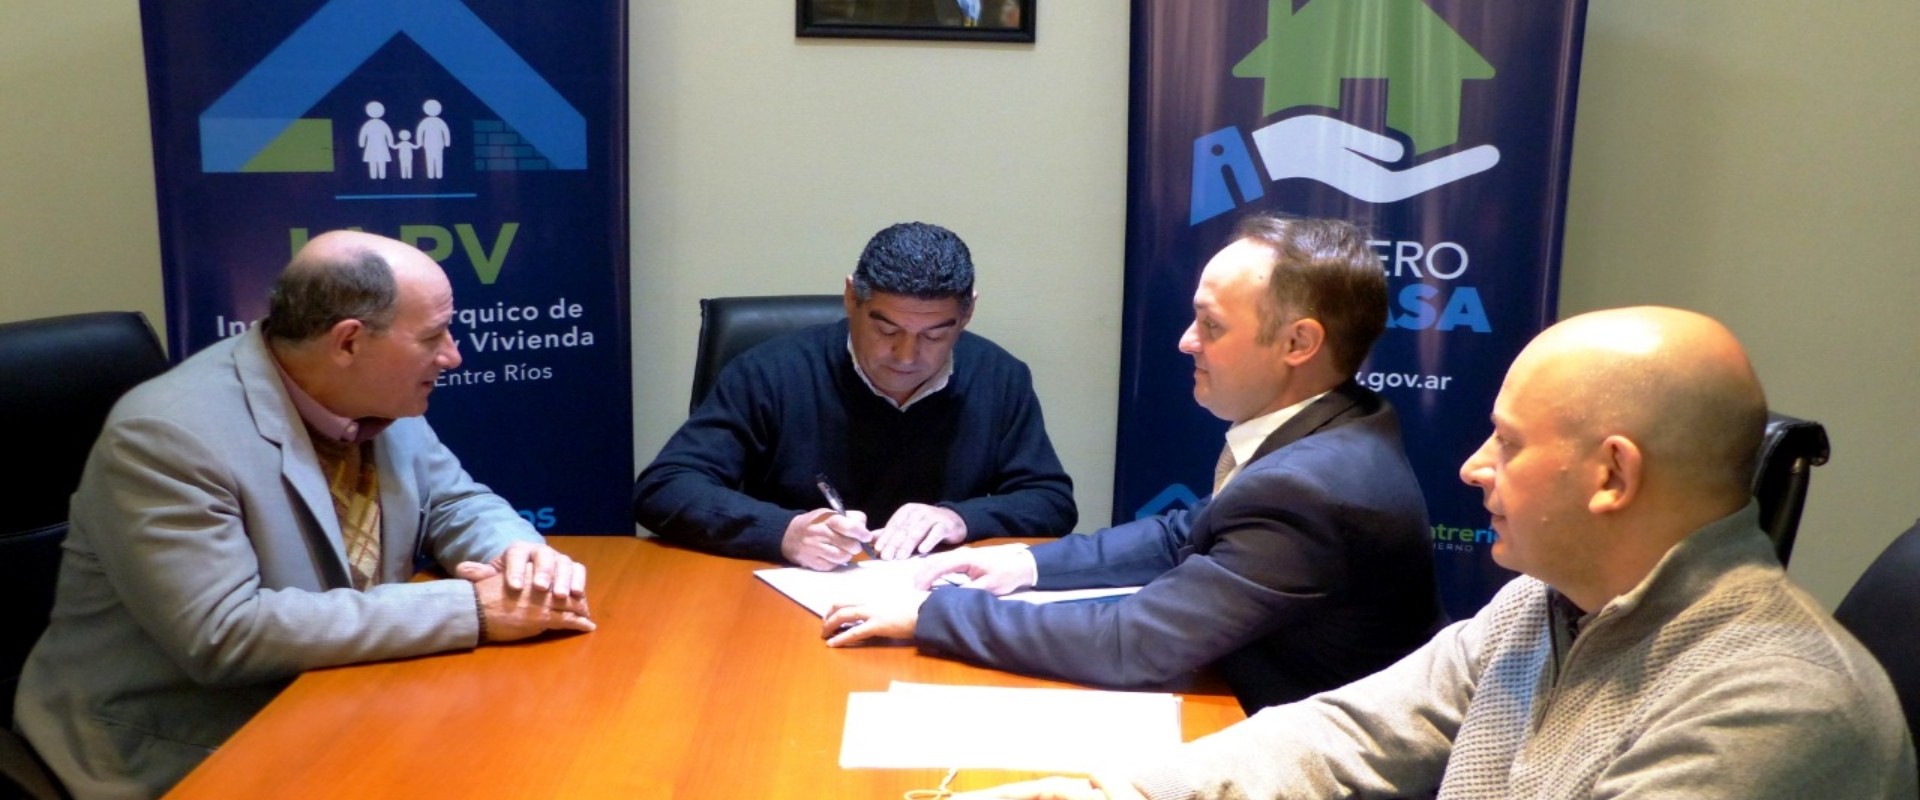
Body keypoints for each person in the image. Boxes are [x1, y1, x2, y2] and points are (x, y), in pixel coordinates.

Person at [957, 307, 1917, 800]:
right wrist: (1114, 789)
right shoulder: (1544, 603)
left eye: (1508, 441)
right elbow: (1345, 734)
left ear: (1612, 475)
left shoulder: (1778, 706)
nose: (1473, 466)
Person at [13, 231, 597, 800]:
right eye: (433, 336)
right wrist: (474, 609)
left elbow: (452, 500)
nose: (452, 355)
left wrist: (516, 556)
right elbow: (224, 633)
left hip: (343, 700)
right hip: (183, 744)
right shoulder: (167, 436)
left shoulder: (379, 393)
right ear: (348, 342)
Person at [823, 215, 1444, 713]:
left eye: (1211, 325)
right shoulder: (1339, 422)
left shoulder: (1312, 488)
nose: (1186, 341)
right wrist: (1022, 563)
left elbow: (1133, 643)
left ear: (1298, 343)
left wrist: (934, 614)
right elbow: (1185, 534)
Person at [632, 221, 1076, 571]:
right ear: (850, 298)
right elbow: (665, 487)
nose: (906, 356)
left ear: (968, 313)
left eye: (935, 335)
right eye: (887, 330)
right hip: (786, 595)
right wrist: (782, 530)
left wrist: (960, 519)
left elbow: (1050, 501)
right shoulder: (770, 372)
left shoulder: (999, 376)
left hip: (936, 598)